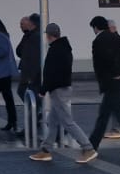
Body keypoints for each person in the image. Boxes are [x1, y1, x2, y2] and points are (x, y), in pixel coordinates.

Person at [29, 23, 97, 164]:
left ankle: (88, 148)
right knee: (52, 121)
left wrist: (43, 90)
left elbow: (51, 73)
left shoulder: (55, 50)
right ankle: (46, 150)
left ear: (49, 35)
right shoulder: (64, 48)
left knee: (67, 122)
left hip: (58, 89)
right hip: (62, 88)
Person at [87, 15, 120, 156]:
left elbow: (105, 61)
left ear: (95, 27)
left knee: (118, 118)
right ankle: (92, 146)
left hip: (111, 84)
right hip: (118, 83)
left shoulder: (99, 41)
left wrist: (116, 73)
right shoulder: (117, 38)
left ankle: (92, 147)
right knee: (106, 116)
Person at [15, 14, 43, 133]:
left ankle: (31, 128)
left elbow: (34, 57)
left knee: (32, 99)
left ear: (32, 24)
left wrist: (31, 76)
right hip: (29, 73)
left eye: (24, 23)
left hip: (32, 74)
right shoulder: (29, 35)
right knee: (29, 97)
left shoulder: (35, 37)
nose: (22, 26)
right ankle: (39, 115)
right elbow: (20, 51)